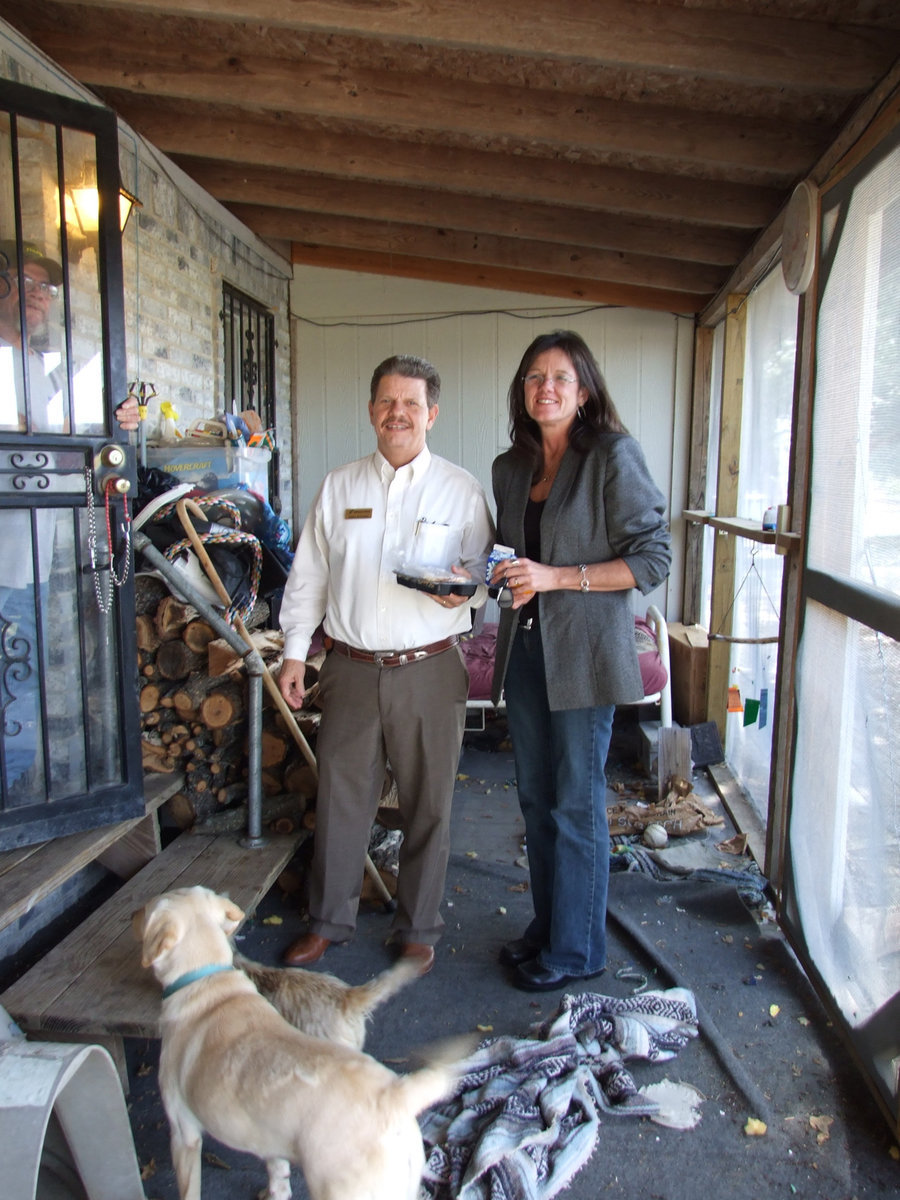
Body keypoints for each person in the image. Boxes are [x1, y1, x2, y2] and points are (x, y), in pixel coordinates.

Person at [277, 354, 495, 974]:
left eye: (410, 403)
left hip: (430, 669)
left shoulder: (460, 489)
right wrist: (296, 651)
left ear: (432, 414)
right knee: (342, 800)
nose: (397, 413)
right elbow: (309, 576)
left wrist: (462, 587)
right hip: (350, 667)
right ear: (372, 409)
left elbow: (485, 572)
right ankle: (327, 923)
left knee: (430, 803)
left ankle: (419, 926)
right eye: (386, 401)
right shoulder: (340, 486)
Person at [488, 330, 671, 992]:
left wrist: (557, 578)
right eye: (534, 377)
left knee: (575, 802)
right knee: (537, 799)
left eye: (561, 377)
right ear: (522, 391)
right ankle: (550, 927)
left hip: (586, 654)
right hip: (526, 648)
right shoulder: (511, 467)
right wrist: (482, 570)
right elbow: (511, 557)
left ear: (584, 389)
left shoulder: (612, 456)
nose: (546, 388)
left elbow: (653, 559)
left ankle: (578, 950)